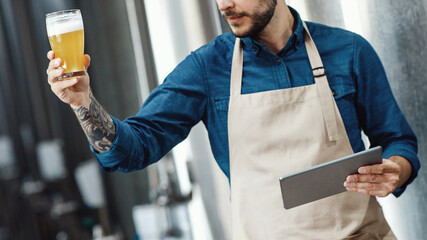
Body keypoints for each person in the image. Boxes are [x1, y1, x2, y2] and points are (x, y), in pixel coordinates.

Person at [47, 0, 420, 239]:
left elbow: (399, 140)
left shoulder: (349, 51)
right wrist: (83, 102)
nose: (225, 4)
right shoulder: (207, 68)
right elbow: (130, 152)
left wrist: (396, 170)